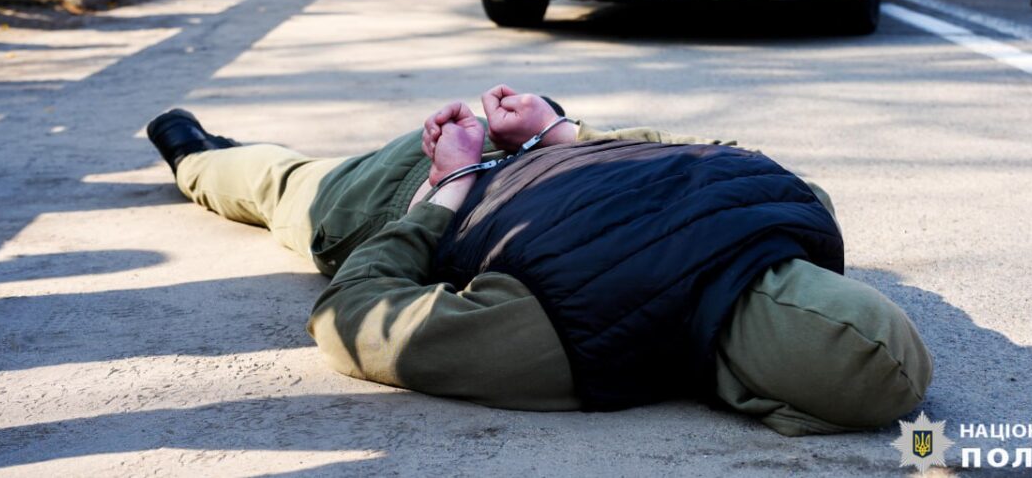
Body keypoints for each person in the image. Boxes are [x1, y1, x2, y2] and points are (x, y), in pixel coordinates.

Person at [147, 86, 932, 436]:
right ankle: (196, 155)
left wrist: (546, 139)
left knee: (286, 178)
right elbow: (353, 318)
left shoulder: (793, 199)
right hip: (437, 183)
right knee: (288, 185)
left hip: (476, 155)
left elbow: (679, 150)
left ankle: (204, 154)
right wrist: (473, 175)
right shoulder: (569, 338)